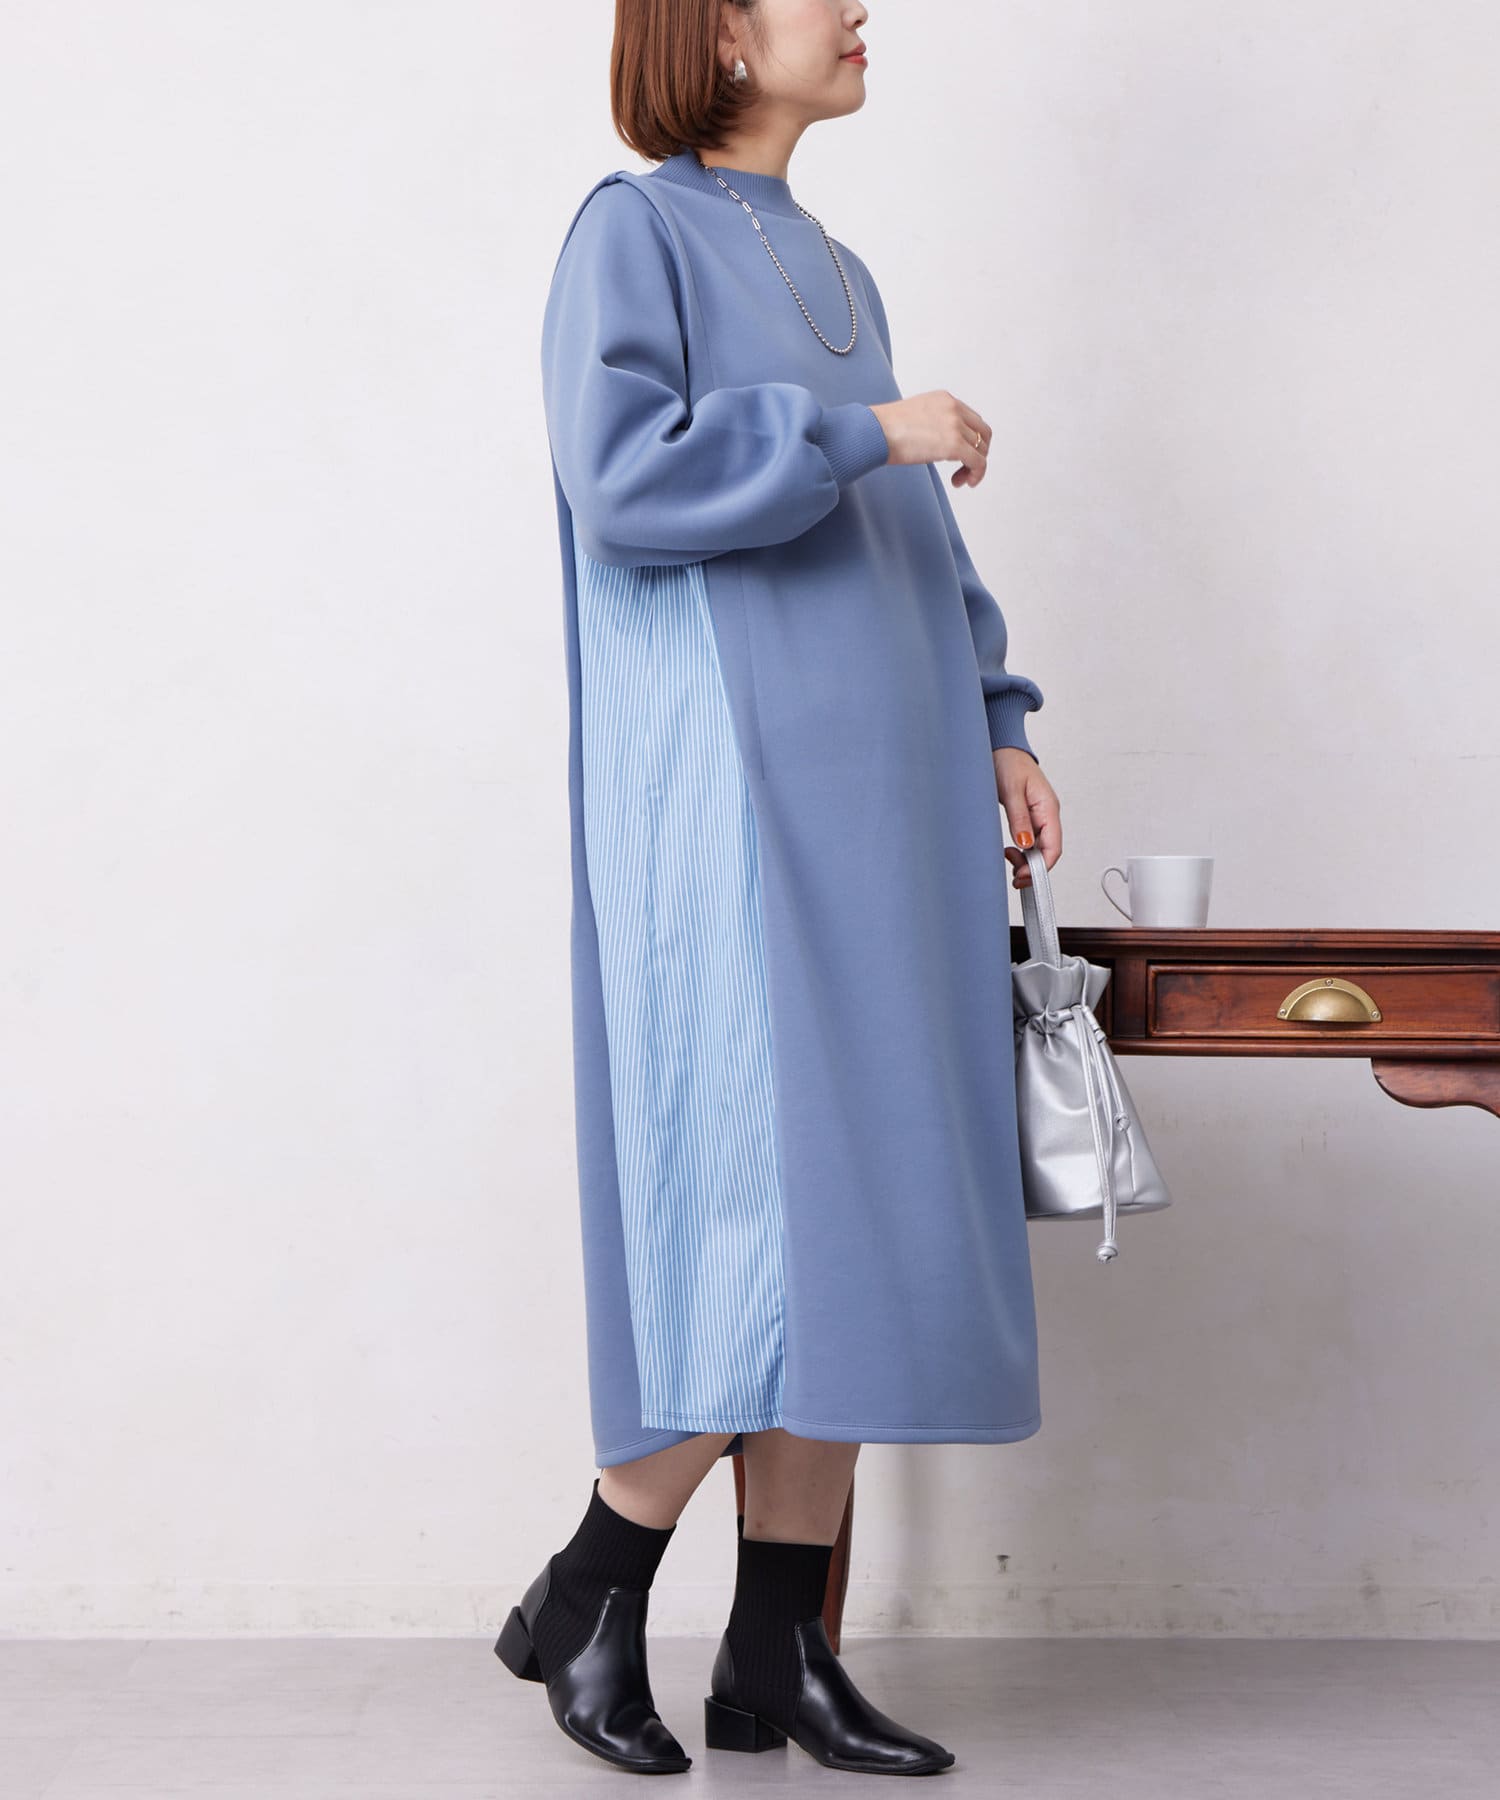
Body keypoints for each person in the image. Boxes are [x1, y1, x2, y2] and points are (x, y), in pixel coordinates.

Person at [498, 0, 1064, 1777]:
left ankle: (776, 1652)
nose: (860, 8)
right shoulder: (633, 230)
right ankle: (597, 1581)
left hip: (890, 784)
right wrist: (860, 434)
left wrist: (995, 715)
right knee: (758, 1210)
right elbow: (622, 484)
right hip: (736, 791)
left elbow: (916, 528)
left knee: (871, 1206)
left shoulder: (835, 262)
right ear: (724, 36)